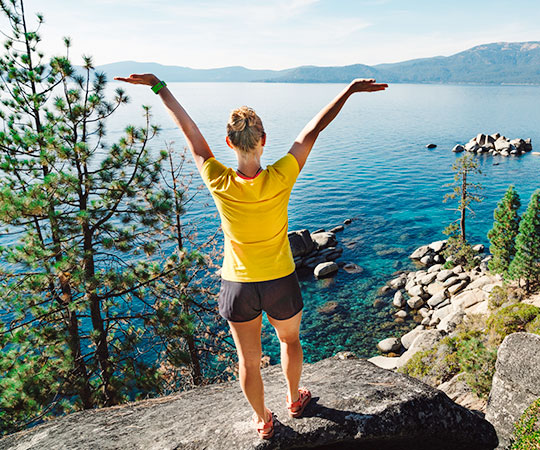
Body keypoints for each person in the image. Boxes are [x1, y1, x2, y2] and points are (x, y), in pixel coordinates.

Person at [114, 73, 388, 439]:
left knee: (249, 361)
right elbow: (313, 130)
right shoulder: (282, 175)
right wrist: (349, 90)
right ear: (263, 141)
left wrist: (159, 87)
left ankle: (263, 420)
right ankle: (294, 399)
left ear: (229, 142)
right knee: (289, 341)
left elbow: (190, 132)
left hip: (238, 285)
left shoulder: (218, 179)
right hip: (280, 280)